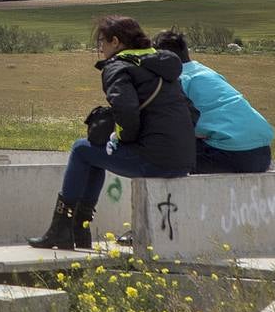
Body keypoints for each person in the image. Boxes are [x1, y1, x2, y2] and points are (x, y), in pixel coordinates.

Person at [29, 15, 197, 250]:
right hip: (184, 161)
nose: (101, 48)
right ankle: (80, 231)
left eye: (102, 42)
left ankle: (62, 229)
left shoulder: (118, 67)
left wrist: (123, 139)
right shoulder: (161, 65)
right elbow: (192, 112)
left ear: (115, 42)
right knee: (93, 155)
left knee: (81, 149)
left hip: (155, 161)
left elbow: (126, 110)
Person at [152, 30, 274, 174]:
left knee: (161, 154)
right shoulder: (208, 72)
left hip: (231, 154)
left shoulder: (176, 79)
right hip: (263, 152)